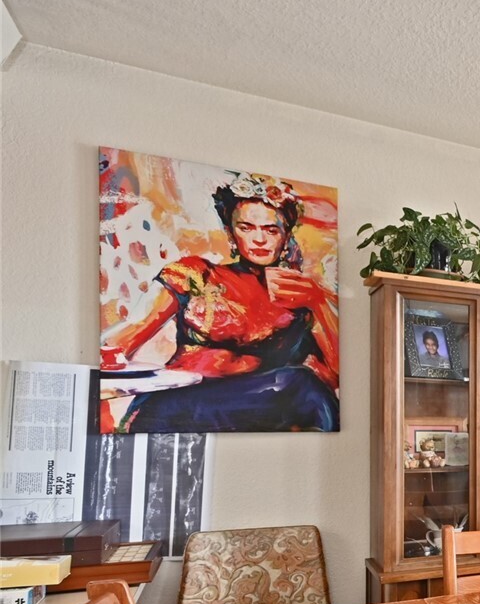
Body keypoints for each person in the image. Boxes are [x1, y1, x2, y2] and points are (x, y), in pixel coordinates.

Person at [101, 173, 339, 432]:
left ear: (285, 236)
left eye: (271, 230)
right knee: (300, 385)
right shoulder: (197, 274)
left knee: (304, 386)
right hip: (180, 403)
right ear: (231, 233)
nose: (259, 239)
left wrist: (319, 304)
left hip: (253, 409)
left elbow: (335, 376)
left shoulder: (298, 295)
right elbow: (126, 337)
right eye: (246, 228)